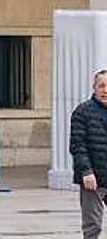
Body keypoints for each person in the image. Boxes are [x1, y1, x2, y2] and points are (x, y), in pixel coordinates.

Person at [71, 69, 107, 238]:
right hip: (93, 178)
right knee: (93, 226)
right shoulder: (82, 112)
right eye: (101, 86)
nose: (105, 90)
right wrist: (86, 172)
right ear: (94, 88)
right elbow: (78, 146)